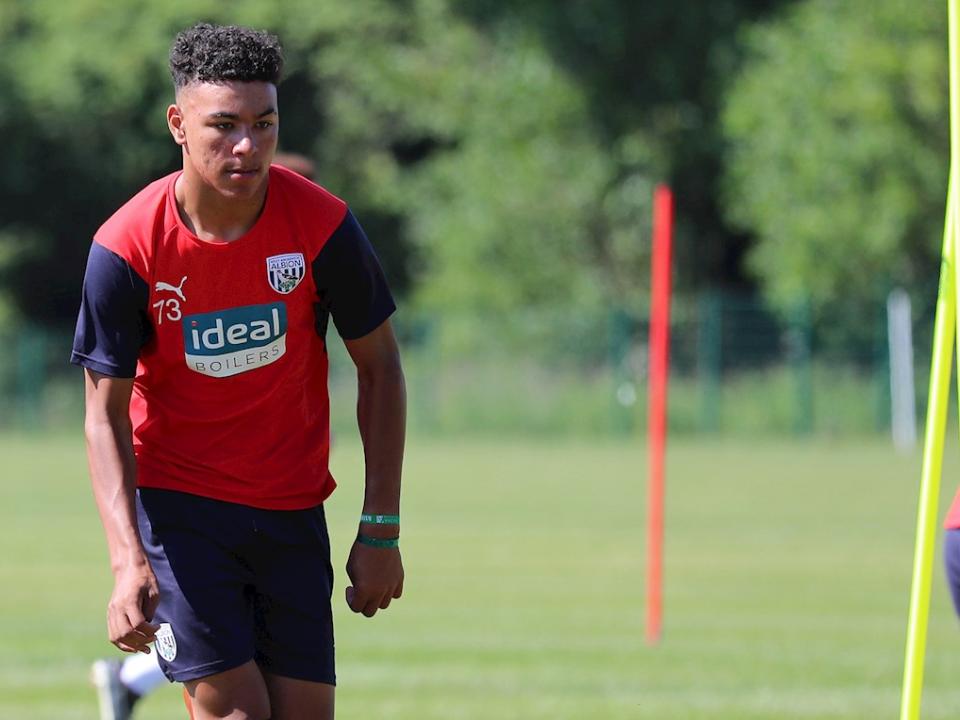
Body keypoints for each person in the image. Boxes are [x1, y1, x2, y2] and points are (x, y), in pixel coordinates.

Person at [72, 22, 406, 720]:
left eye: (264, 123)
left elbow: (380, 369)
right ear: (178, 125)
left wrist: (380, 527)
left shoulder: (324, 226)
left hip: (292, 509)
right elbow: (104, 414)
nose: (247, 145)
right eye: (223, 126)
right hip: (181, 514)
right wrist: (126, 559)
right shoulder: (127, 247)